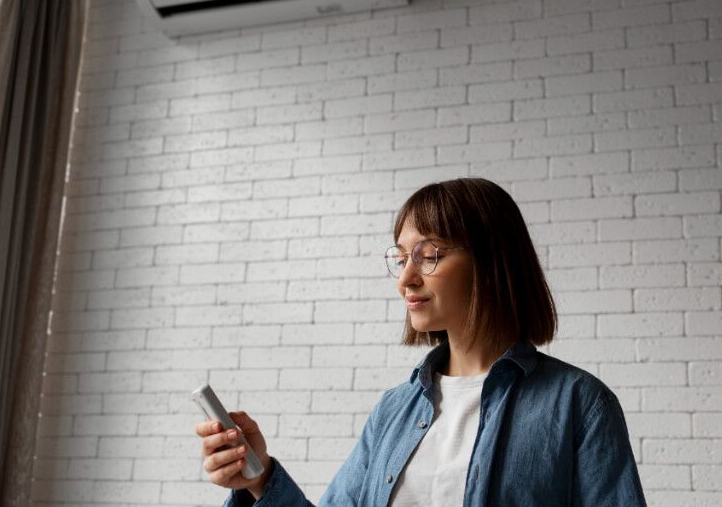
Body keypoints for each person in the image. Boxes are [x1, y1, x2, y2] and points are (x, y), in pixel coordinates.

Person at [196, 177, 647, 506]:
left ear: (492, 259)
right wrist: (260, 477)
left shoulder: (579, 405)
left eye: (428, 254)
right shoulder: (394, 410)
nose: (406, 279)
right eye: (400, 257)